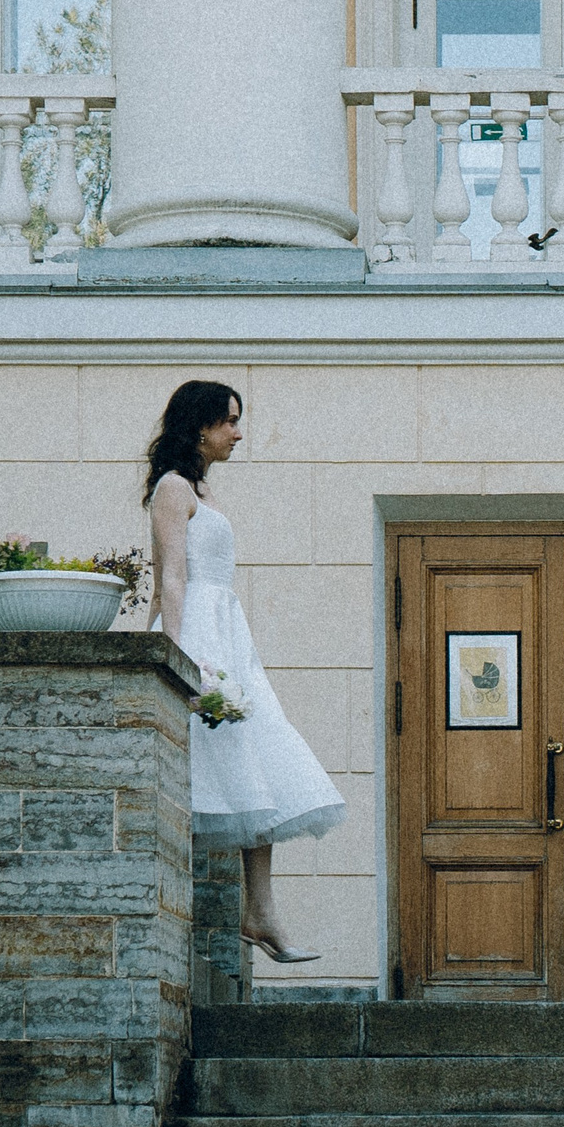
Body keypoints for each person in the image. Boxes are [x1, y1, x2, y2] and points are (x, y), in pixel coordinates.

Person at [143, 381, 346, 963]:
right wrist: (178, 657)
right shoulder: (173, 488)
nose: (238, 432)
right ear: (200, 426)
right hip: (202, 633)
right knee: (221, 766)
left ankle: (260, 912)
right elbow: (172, 578)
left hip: (227, 632)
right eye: (229, 421)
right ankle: (255, 914)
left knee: (256, 763)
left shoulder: (195, 489)